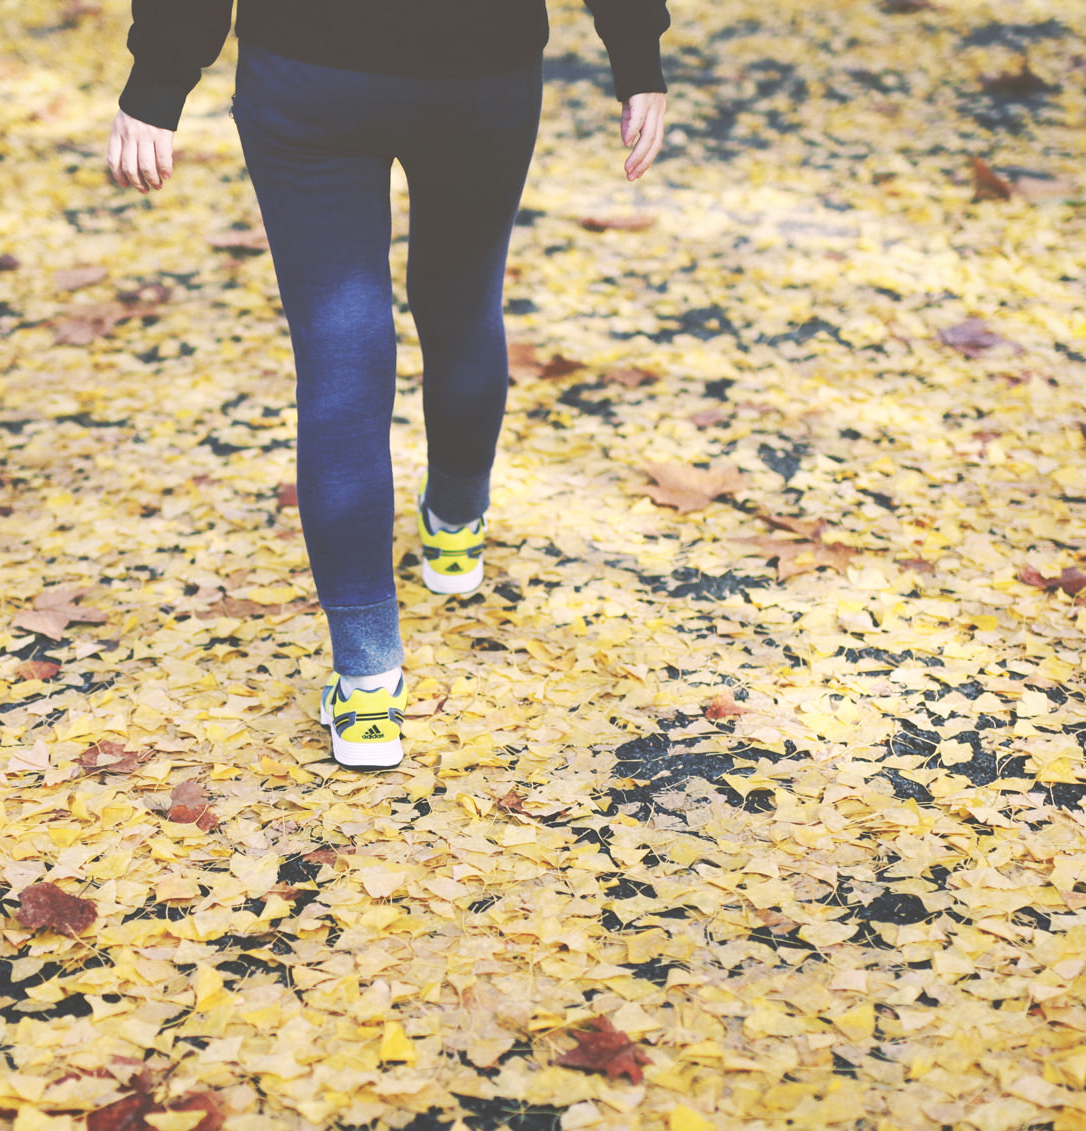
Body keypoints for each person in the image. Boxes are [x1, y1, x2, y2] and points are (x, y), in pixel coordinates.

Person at [108, 1, 670, 769]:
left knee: (341, 355)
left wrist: (159, 80)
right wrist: (635, 57)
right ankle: (455, 526)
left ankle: (369, 684)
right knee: (463, 300)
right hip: (483, 67)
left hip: (308, 69)